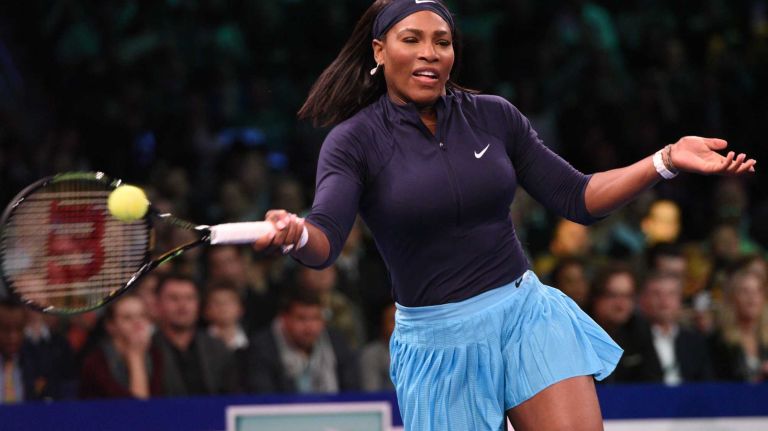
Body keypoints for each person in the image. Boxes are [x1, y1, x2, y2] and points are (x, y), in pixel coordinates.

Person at [252, 1, 757, 429]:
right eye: (412, 39)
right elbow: (325, 240)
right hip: (437, 343)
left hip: (525, 315)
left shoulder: (493, 115)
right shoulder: (353, 141)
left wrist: (664, 159)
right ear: (380, 51)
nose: (430, 53)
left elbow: (577, 196)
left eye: (443, 41)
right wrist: (296, 235)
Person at [245, 288, 358, 394]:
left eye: (315, 318)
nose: (309, 327)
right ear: (284, 318)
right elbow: (263, 398)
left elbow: (352, 390)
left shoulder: (336, 341)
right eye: (301, 318)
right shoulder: (262, 347)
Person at [152, 273, 238, 396]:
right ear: (157, 305)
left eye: (189, 298)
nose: (183, 305)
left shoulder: (217, 348)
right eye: (174, 298)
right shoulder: (148, 349)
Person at [79, 294, 163, 399]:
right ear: (111, 325)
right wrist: (135, 357)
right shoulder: (96, 362)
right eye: (127, 318)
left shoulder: (156, 355)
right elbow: (135, 408)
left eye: (142, 315)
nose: (137, 322)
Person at [636, 272, 712, 384]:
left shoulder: (696, 341)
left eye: (671, 294)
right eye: (656, 294)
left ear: (680, 300)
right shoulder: (631, 341)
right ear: (643, 300)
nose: (664, 301)